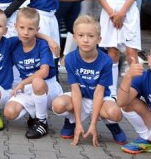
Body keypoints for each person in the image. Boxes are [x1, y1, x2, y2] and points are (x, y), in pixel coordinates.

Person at [51, 15, 127, 146]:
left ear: (99, 39)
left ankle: (113, 126)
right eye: (81, 35)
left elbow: (99, 92)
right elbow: (75, 91)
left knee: (115, 113)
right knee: (58, 104)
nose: (85, 40)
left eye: (91, 36)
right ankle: (71, 122)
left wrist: (93, 125)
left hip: (101, 98)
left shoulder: (106, 61)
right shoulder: (70, 59)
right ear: (75, 38)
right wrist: (79, 124)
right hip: (81, 96)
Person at [3, 8, 62, 139]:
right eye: (22, 27)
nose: (25, 32)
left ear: (37, 30)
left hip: (48, 86)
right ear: (15, 27)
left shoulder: (43, 45)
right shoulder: (14, 43)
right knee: (9, 112)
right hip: (29, 87)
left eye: (30, 29)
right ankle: (34, 113)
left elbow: (44, 72)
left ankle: (41, 121)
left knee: (37, 82)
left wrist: (22, 83)